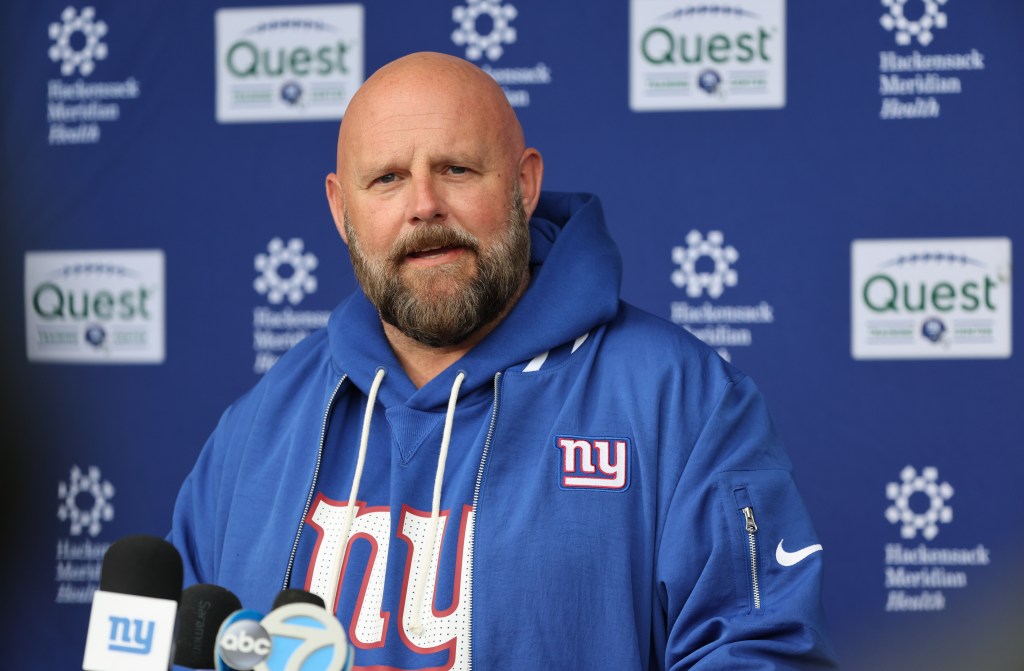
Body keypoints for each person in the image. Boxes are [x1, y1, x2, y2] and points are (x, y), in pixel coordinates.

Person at [171, 52, 837, 669]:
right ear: (341, 211)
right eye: (387, 179)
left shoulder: (680, 401)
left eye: (456, 169)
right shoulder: (257, 427)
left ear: (524, 185)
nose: (424, 205)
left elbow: (759, 651)